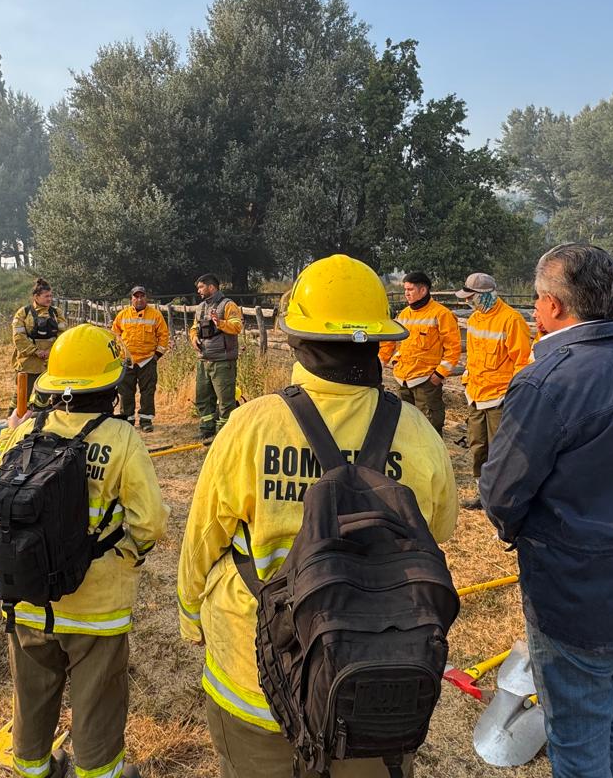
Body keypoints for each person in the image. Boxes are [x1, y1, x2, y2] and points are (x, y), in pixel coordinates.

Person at [178, 254, 457, 777]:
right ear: (378, 342)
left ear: (296, 339)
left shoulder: (250, 427)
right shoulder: (419, 435)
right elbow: (434, 537)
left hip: (255, 674)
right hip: (371, 683)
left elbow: (202, 542)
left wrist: (192, 617)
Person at [480, 243, 613, 777]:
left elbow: (501, 492)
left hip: (580, 595)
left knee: (576, 736)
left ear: (554, 306)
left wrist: (516, 530)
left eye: (537, 301)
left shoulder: (549, 380)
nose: (535, 312)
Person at [0, 324, 166, 778]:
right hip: (97, 604)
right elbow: (150, 524)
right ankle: (98, 772)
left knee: (31, 691)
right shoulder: (122, 438)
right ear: (110, 385)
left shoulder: (24, 431)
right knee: (97, 696)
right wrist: (126, 555)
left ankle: (32, 767)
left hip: (26, 595)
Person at [454, 272, 531, 509]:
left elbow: (523, 362)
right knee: (478, 445)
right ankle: (482, 493)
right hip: (476, 395)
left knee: (501, 449)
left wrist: (514, 395)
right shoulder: (476, 319)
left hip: (499, 398)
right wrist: (467, 380)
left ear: (486, 295)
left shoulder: (511, 320)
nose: (468, 302)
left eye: (472, 297)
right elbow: (473, 356)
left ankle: (502, 497)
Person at [378, 271, 461, 435]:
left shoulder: (441, 314)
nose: (406, 294)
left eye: (410, 289)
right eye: (405, 290)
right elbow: (390, 340)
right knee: (405, 426)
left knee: (428, 428)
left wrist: (439, 375)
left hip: (426, 382)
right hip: (403, 380)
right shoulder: (404, 314)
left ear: (423, 290)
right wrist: (382, 362)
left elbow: (453, 349)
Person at [189, 274, 243, 440]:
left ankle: (224, 435)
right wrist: (194, 338)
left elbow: (237, 326)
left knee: (226, 400)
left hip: (223, 361)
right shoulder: (200, 308)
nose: (198, 291)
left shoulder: (228, 305)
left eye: (201, 287)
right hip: (203, 360)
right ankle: (207, 428)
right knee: (203, 398)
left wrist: (219, 323)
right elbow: (193, 328)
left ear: (211, 287)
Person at [112, 285, 170, 432]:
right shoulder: (123, 315)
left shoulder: (155, 315)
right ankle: (127, 420)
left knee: (148, 391)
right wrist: (118, 355)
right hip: (127, 361)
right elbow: (114, 335)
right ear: (131, 298)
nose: (139, 299)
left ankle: (146, 420)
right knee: (125, 391)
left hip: (147, 360)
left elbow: (163, 336)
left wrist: (157, 355)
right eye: (136, 296)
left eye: (142, 296)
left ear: (146, 298)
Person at [11, 277, 66, 401]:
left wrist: (51, 352)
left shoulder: (57, 313)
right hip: (28, 363)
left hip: (50, 363)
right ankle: (14, 419)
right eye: (46, 296)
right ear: (36, 297)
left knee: (44, 398)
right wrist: (36, 351)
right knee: (21, 397)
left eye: (51, 296)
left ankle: (41, 419)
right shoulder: (23, 313)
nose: (49, 299)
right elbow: (18, 337)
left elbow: (63, 336)